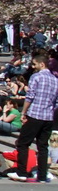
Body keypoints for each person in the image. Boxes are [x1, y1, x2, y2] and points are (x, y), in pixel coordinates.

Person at [9, 55, 58, 183]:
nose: (33, 66)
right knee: (43, 146)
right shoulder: (55, 80)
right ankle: (42, 176)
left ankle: (22, 172)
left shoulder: (36, 77)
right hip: (48, 117)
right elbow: (56, 101)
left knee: (23, 143)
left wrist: (24, 112)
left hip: (35, 114)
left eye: (34, 64)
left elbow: (30, 97)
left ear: (42, 64)